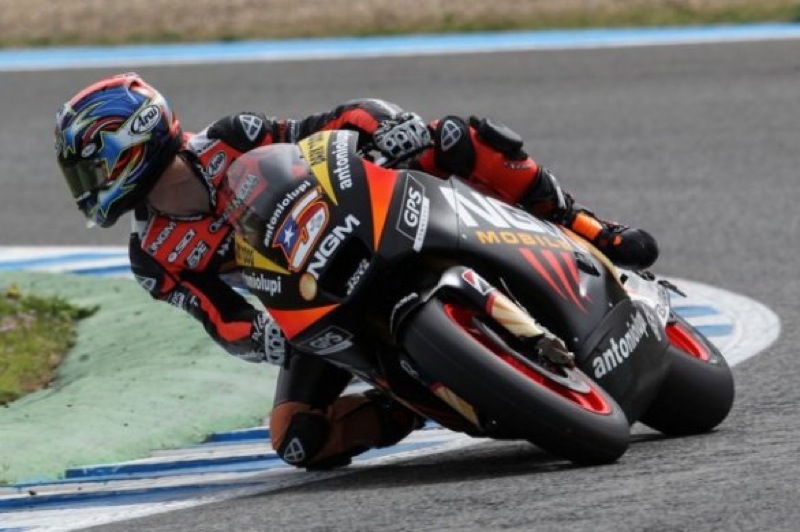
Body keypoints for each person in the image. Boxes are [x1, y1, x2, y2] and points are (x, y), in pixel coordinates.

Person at [55, 72, 658, 470]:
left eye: (90, 168)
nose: (87, 186)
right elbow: (222, 319)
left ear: (129, 140)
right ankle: (416, 399)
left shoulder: (232, 137)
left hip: (359, 224)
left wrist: (385, 127)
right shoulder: (153, 256)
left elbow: (322, 129)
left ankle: (586, 226)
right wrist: (262, 336)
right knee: (298, 438)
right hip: (307, 305)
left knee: (453, 137)